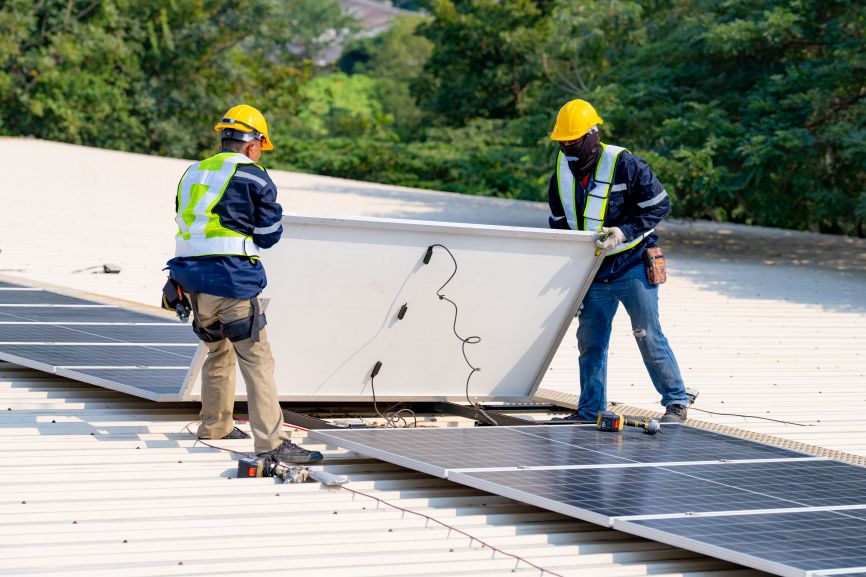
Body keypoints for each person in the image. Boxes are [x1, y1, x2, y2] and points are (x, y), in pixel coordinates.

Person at [168, 104, 322, 462]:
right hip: (232, 280)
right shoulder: (254, 176)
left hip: (190, 283)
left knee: (217, 352)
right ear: (253, 145)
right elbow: (268, 235)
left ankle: (215, 425)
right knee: (257, 361)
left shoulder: (192, 172)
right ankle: (272, 443)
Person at [547, 99, 691, 423]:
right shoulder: (562, 174)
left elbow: (659, 204)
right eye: (563, 143)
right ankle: (590, 410)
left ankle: (676, 402)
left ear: (592, 136)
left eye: (574, 143)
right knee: (590, 342)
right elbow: (559, 227)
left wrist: (624, 232)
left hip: (632, 265)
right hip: (593, 272)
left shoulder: (625, 164)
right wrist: (569, 278)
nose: (568, 150)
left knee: (647, 333)